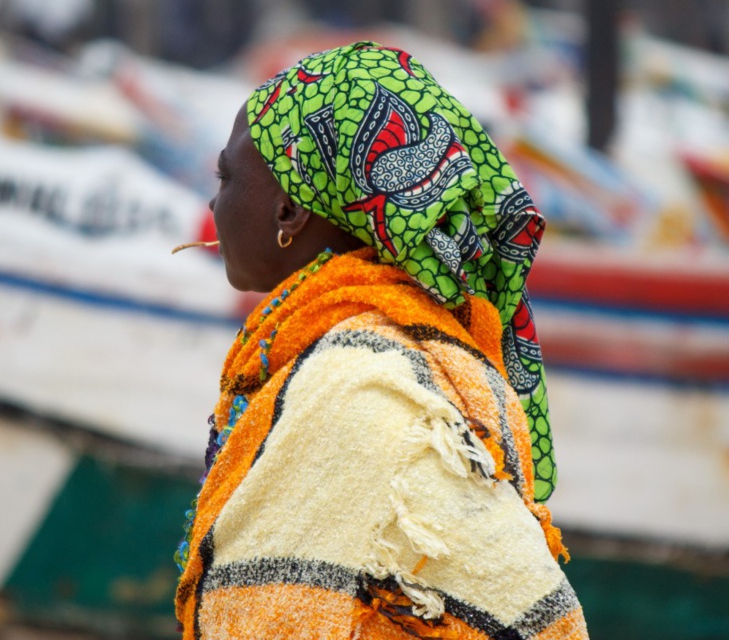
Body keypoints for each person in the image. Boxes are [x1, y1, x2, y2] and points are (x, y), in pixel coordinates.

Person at [174, 42, 588, 639]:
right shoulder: (408, 348)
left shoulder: (357, 383)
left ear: (288, 211)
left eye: (226, 177)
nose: (215, 202)